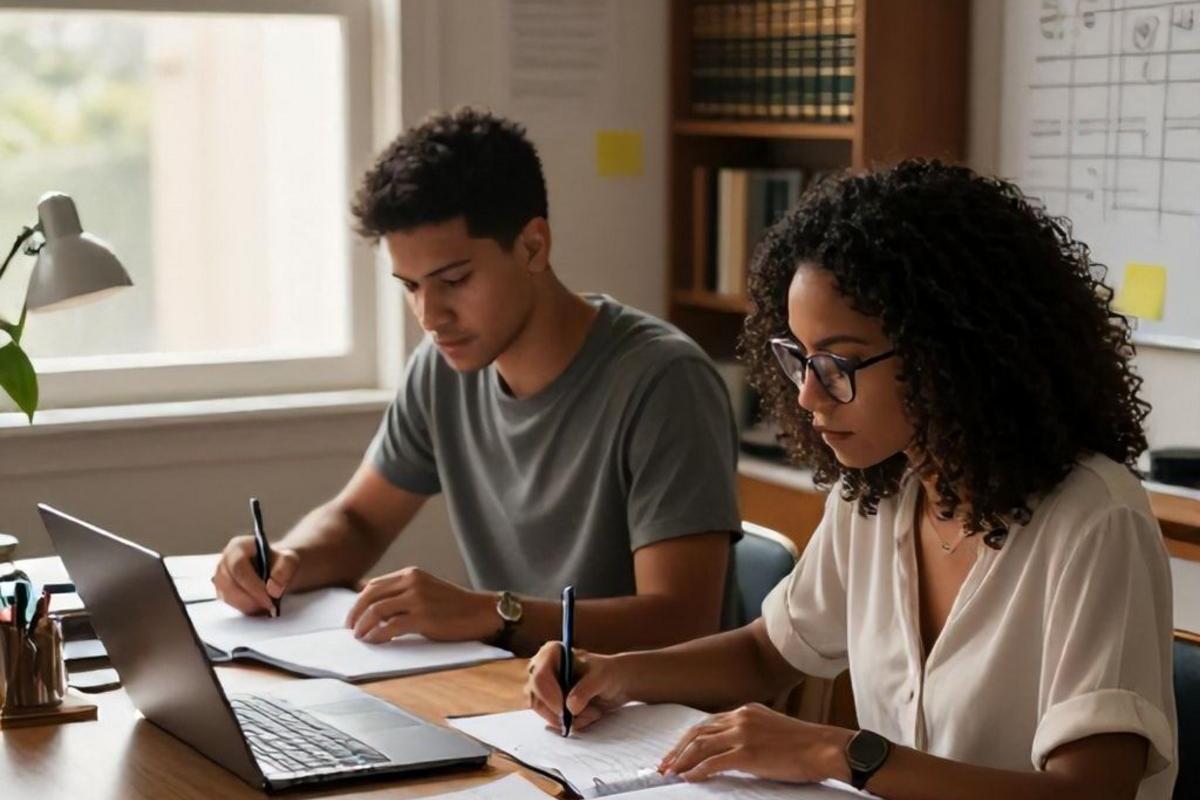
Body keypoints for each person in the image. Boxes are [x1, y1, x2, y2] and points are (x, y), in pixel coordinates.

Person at [527, 159, 1177, 799]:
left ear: (948, 350)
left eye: (841, 362)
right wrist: (613, 675)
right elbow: (767, 652)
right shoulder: (879, 492)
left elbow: (1091, 792)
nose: (810, 396)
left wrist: (836, 752)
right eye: (800, 358)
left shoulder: (1095, 519)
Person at [211, 108, 742, 656]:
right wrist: (285, 561)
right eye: (410, 286)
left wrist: (490, 613)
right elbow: (358, 520)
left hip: (644, 722)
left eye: (454, 281)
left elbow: (683, 621)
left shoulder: (664, 382)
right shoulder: (441, 366)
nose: (429, 315)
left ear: (534, 247)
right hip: (510, 704)